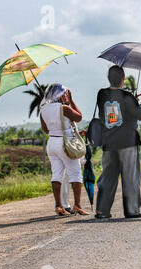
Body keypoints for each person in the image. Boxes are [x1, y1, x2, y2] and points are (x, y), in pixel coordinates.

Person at [95, 65, 141, 219]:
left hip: (108, 143)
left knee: (108, 177)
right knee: (130, 177)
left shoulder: (101, 94)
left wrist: (131, 101)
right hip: (128, 143)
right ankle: (132, 209)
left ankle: (102, 210)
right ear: (123, 80)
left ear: (109, 78)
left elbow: (116, 108)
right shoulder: (127, 97)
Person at [40, 84, 89, 216]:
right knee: (75, 173)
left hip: (52, 143)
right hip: (65, 143)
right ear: (60, 95)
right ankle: (77, 205)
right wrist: (71, 101)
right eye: (65, 93)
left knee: (56, 174)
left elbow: (45, 130)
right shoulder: (64, 108)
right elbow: (79, 117)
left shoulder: (43, 110)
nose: (66, 95)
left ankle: (58, 206)